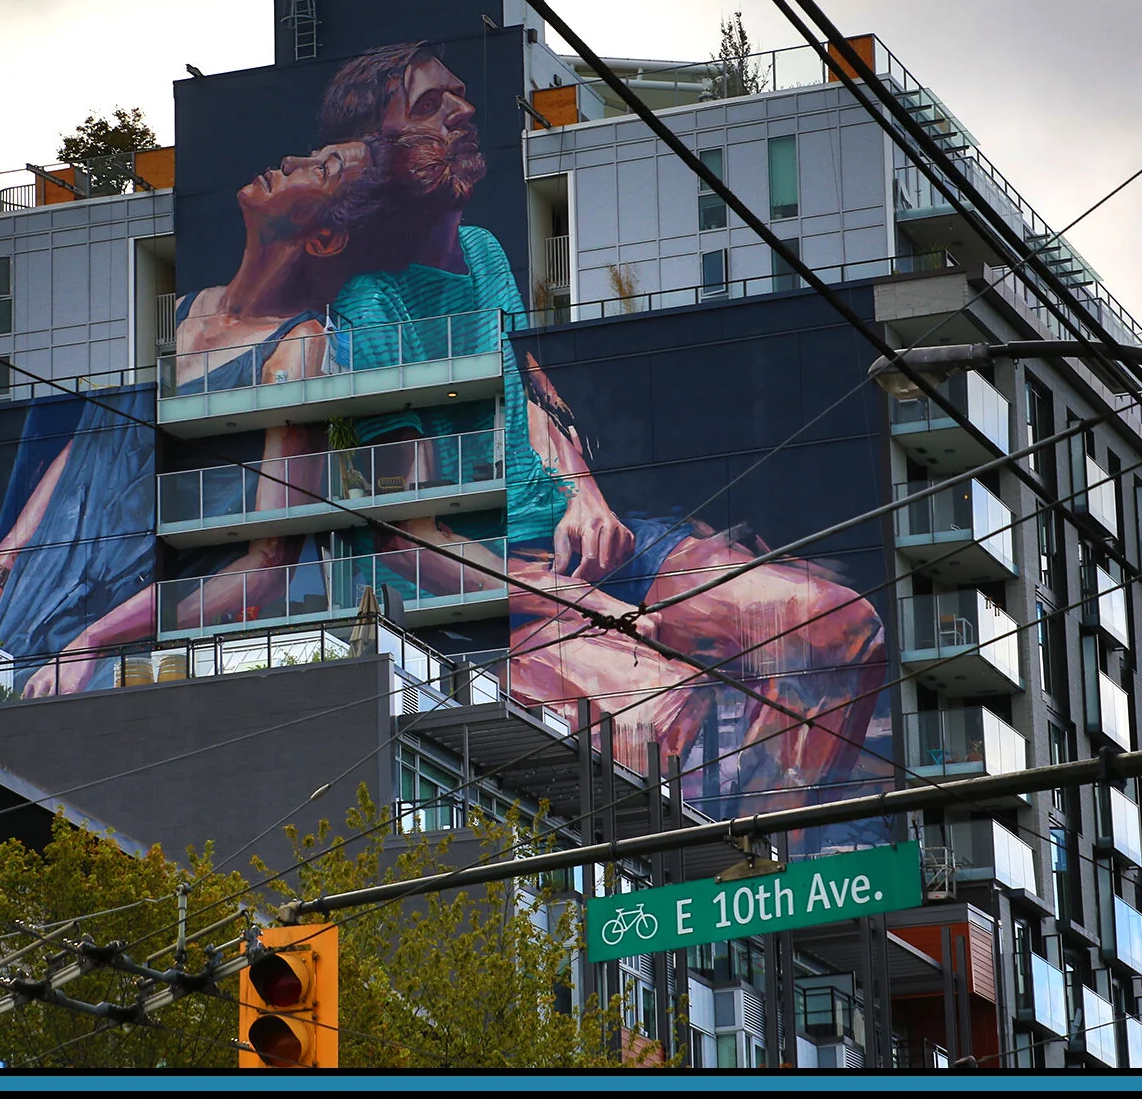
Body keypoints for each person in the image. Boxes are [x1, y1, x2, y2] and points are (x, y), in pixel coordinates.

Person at [310, 42, 890, 820]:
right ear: (375, 156)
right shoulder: (371, 310)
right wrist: (559, 597)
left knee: (840, 628)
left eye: (457, 95)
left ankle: (765, 849)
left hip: (598, 547)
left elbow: (525, 385)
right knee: (659, 712)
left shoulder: (481, 253)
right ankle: (680, 894)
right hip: (502, 588)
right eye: (428, 108)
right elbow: (402, 537)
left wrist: (583, 490)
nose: (464, 111)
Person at [0, 141, 384, 697]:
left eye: (321, 169)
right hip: (43, 574)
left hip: (122, 611)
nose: (290, 162)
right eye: (308, 154)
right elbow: (93, 449)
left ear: (325, 237)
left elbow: (269, 562)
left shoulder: (297, 350)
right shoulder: (180, 311)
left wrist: (97, 640)